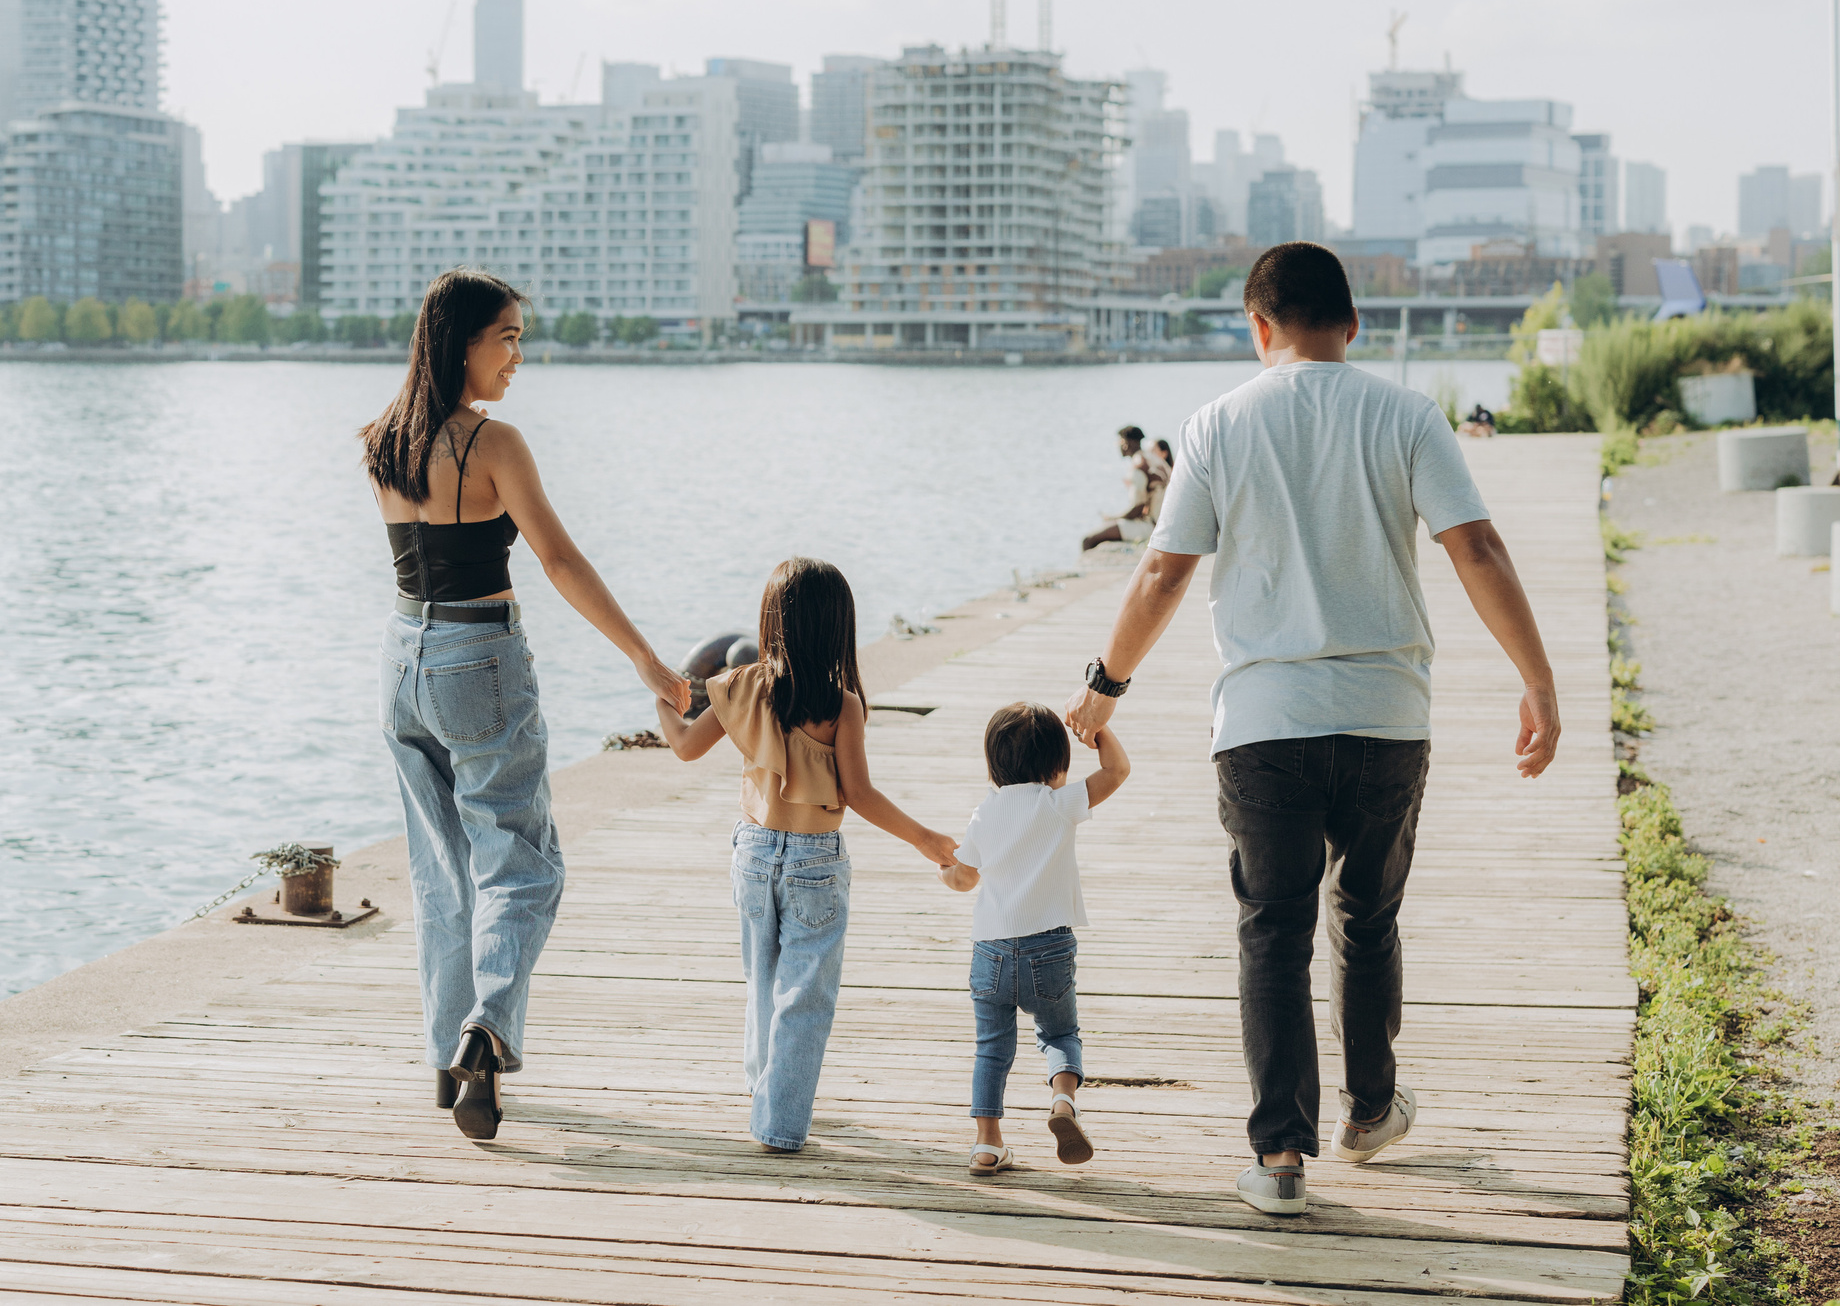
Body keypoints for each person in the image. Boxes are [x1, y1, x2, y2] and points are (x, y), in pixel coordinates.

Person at [1063, 242, 1560, 1217]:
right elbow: (1476, 546)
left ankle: (1281, 1158)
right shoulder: (1408, 415)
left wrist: (1104, 688)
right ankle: (1369, 1112)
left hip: (1264, 724)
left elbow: (1162, 572)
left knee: (1273, 931)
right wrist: (1536, 680)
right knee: (1367, 918)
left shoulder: (1216, 423)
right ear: (1353, 324)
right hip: (1386, 718)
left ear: (1258, 327)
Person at [365, 268, 688, 1140]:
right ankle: (487, 1029)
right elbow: (559, 560)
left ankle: (448, 1063)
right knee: (522, 862)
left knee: (441, 870)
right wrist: (646, 659)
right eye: (507, 338)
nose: (517, 357)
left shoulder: (382, 440)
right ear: (462, 341)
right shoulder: (492, 442)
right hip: (479, 656)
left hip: (401, 658)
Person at [653, 559, 960, 1154]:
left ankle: (764, 1092)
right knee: (805, 996)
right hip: (815, 862)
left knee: (762, 983)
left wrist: (662, 698)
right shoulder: (842, 706)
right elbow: (860, 794)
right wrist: (925, 840)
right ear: (839, 628)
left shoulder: (742, 686)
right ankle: (781, 1123)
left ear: (772, 623)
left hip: (753, 852)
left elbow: (686, 746)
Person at [939, 703, 1131, 1175]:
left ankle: (986, 1144)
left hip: (991, 952)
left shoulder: (984, 814)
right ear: (1057, 767)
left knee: (991, 1047)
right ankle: (1063, 1100)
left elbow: (964, 879)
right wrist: (1097, 729)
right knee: (1060, 1033)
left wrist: (946, 872)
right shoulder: (1059, 804)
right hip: (1050, 947)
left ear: (992, 766)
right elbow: (1117, 770)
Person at [1080, 425, 1161, 552]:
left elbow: (1138, 508)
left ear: (1126, 443)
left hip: (1151, 526)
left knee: (1088, 540)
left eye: (1119, 442)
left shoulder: (1138, 467)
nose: (1118, 446)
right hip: (1163, 522)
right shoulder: (1154, 459)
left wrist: (1113, 518)